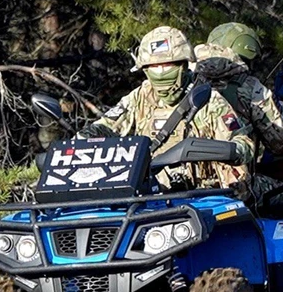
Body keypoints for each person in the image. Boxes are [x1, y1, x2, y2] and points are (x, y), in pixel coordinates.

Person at [80, 25, 255, 191]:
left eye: (168, 66)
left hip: (202, 196)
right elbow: (107, 125)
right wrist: (77, 144)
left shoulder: (209, 100)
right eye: (155, 67)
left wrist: (212, 149)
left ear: (184, 65)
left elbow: (243, 145)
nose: (162, 73)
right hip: (150, 194)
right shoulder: (141, 96)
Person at [194, 22, 283, 202]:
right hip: (231, 188)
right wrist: (279, 106)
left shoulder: (185, 80)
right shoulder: (250, 88)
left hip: (181, 188)